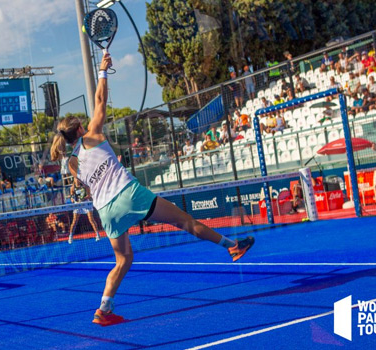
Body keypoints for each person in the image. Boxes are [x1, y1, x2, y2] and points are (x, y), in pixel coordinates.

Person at [49, 54, 254, 326]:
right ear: (79, 128)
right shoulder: (93, 134)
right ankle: (232, 246)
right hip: (128, 194)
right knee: (185, 221)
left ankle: (103, 310)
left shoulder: (72, 163)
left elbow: (88, 189)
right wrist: (102, 70)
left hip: (106, 212)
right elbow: (100, 101)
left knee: (123, 259)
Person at [68, 179, 101, 244]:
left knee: (91, 219)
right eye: (76, 179)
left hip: (86, 203)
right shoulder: (72, 188)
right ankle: (70, 236)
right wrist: (72, 199)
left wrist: (83, 198)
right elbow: (72, 196)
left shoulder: (85, 186)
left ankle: (97, 235)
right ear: (74, 180)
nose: (77, 180)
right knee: (74, 221)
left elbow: (89, 195)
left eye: (78, 179)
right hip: (77, 204)